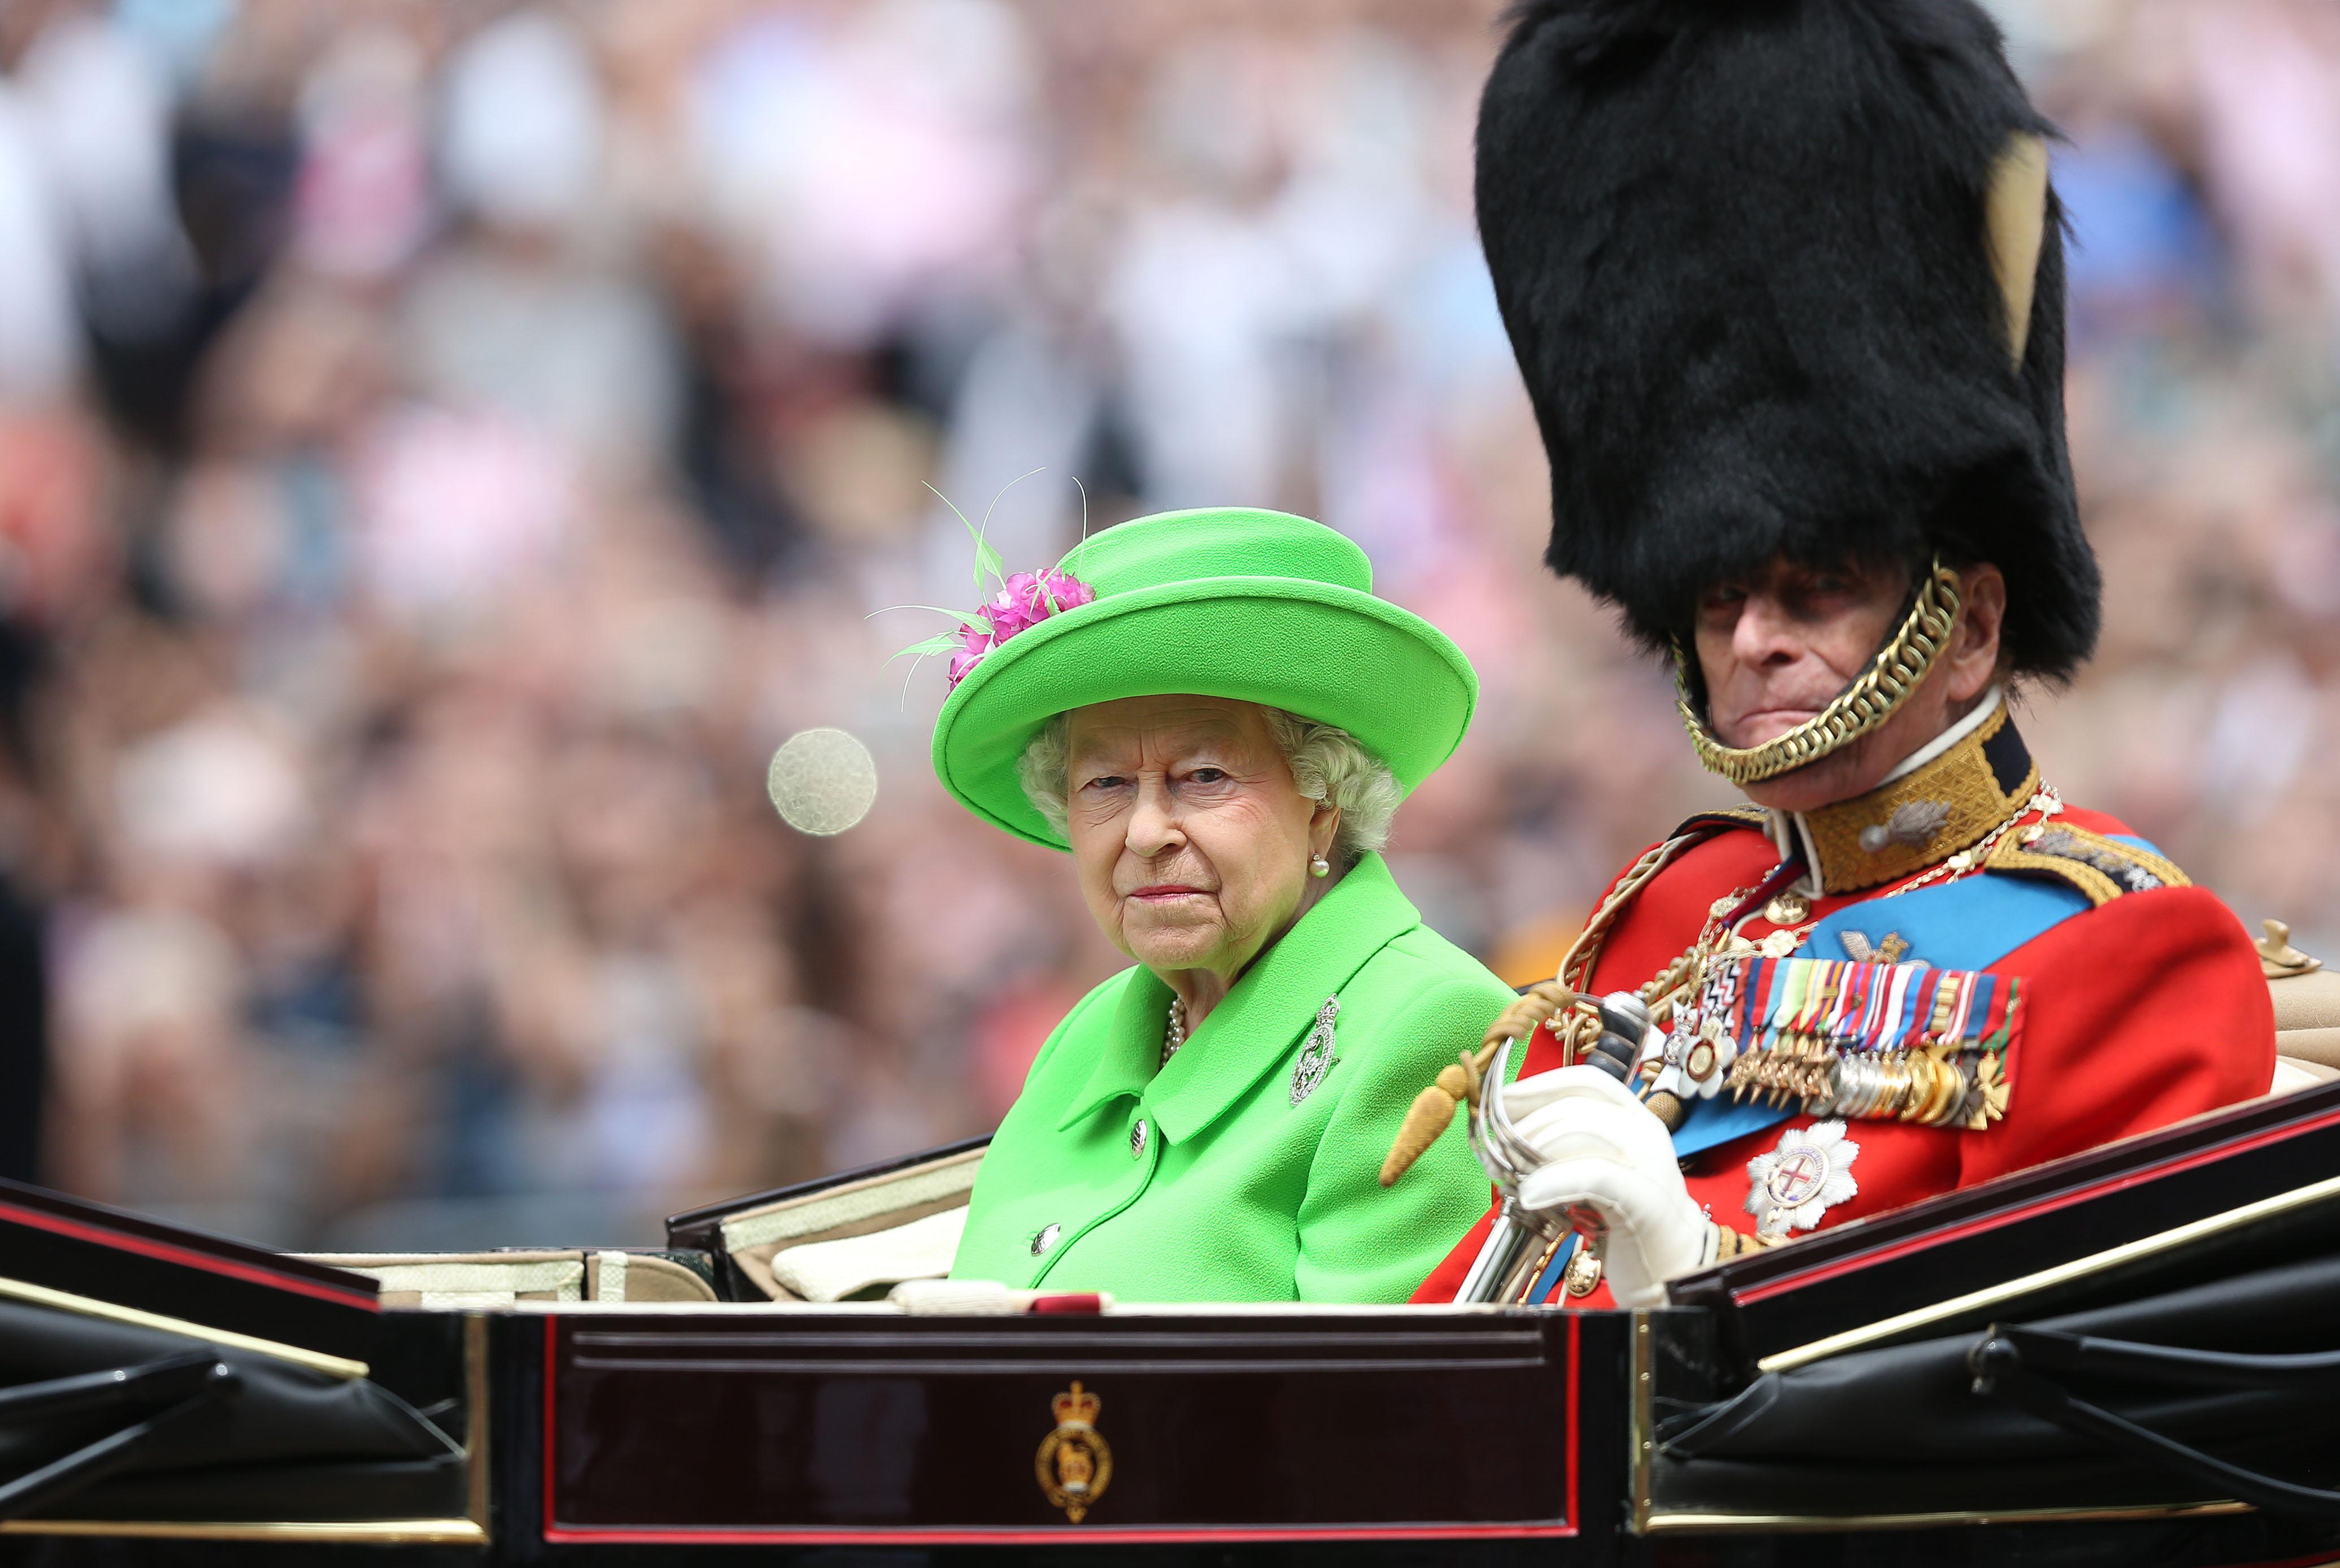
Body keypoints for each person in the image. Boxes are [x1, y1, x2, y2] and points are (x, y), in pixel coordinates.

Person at [1401, 0, 2276, 1309]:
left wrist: (1703, 1279)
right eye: (1720, 599)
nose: (1755, 638)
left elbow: (2058, 1404)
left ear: (1970, 626)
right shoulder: (1673, 908)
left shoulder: (2125, 954)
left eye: (1818, 592)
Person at [938, 505, 1515, 1302]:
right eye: (1105, 783)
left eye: (1204, 777)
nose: (1144, 831)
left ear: (1324, 797)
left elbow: (1372, 1410)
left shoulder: (1433, 1027)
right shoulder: (1086, 1036)